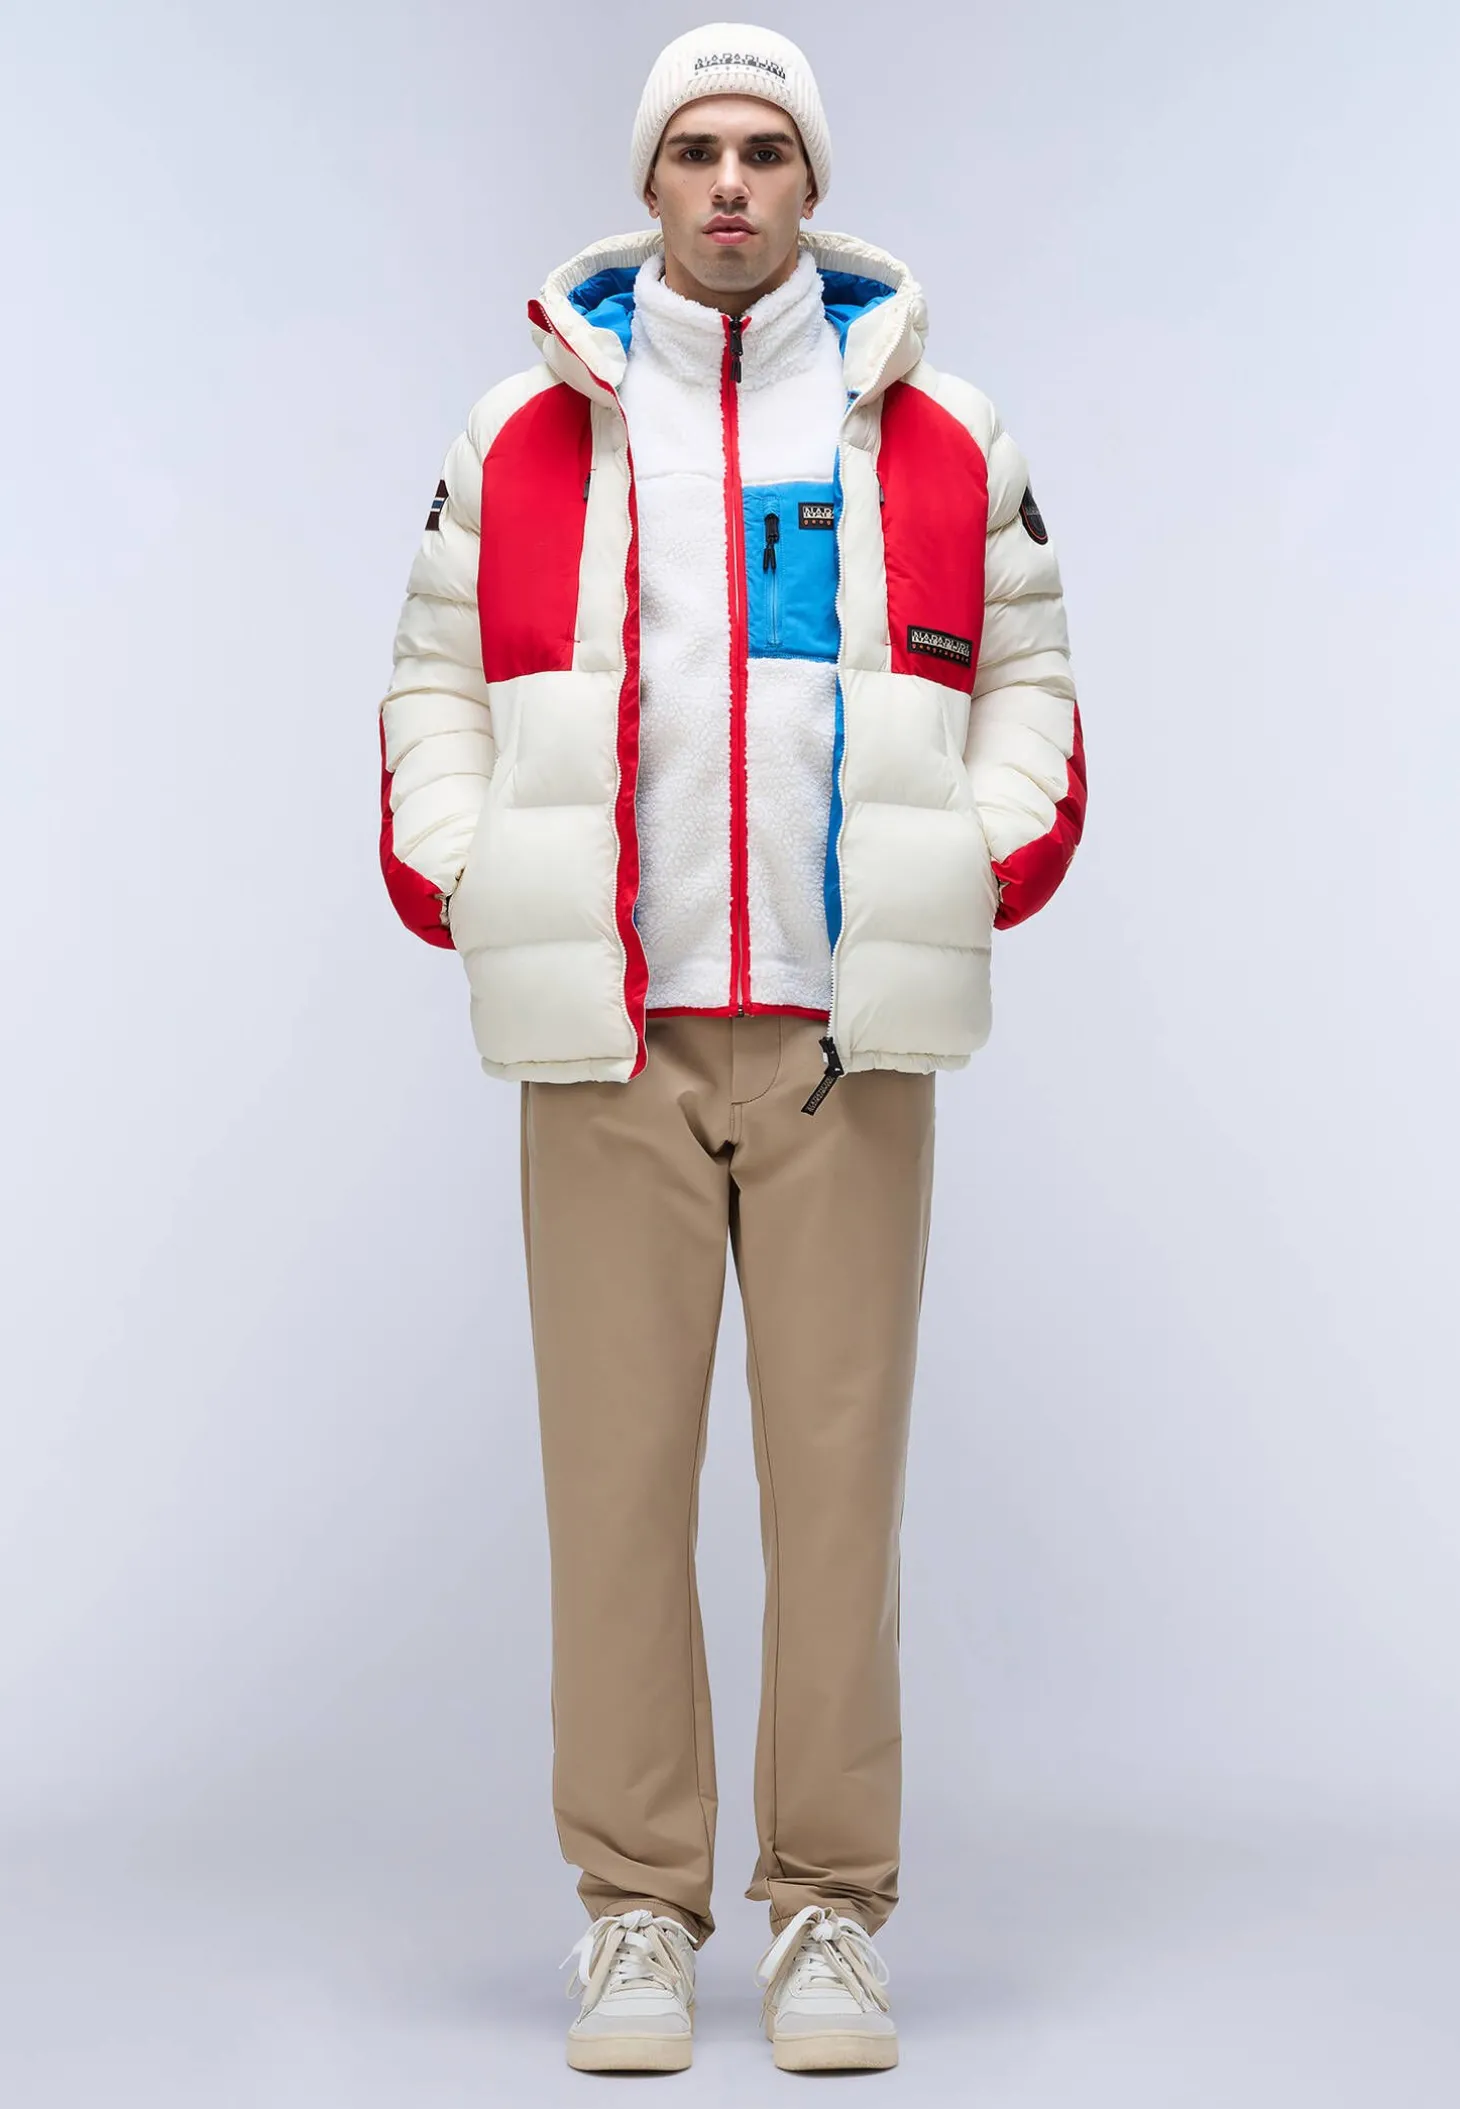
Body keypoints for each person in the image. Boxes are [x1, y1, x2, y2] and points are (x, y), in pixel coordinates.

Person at [377, 19, 1086, 2076]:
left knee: (835, 1494)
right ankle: (632, 1909)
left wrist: (963, 863)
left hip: (844, 1042)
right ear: (648, 180)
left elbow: (1034, 680)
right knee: (613, 1493)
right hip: (607, 1038)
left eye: (764, 149)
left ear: (810, 182)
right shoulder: (523, 430)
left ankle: (831, 1915)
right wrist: (477, 876)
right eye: (694, 148)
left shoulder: (938, 432)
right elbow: (430, 679)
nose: (728, 184)